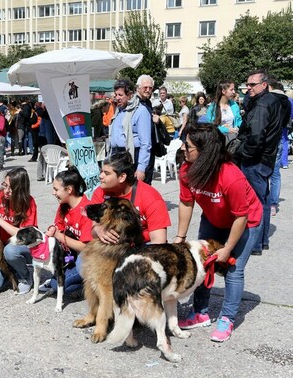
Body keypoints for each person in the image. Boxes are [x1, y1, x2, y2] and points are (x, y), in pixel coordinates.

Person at [175, 124, 262, 342]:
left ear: (204, 151)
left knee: (233, 269)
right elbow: (186, 202)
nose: (183, 149)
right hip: (213, 219)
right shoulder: (187, 169)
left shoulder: (231, 176)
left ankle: (227, 318)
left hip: (244, 221)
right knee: (204, 263)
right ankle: (200, 313)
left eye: (188, 146)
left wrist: (228, 249)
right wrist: (180, 237)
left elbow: (241, 216)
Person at [234, 69, 283, 256]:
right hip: (266, 158)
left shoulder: (263, 105)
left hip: (256, 160)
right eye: (247, 84)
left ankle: (254, 243)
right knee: (262, 200)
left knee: (255, 202)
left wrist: (244, 154)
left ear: (264, 84)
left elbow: (256, 136)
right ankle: (261, 241)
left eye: (252, 84)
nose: (248, 88)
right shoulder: (271, 101)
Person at [91, 151, 170, 244]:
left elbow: (158, 241)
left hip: (143, 246)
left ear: (122, 177)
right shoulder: (100, 192)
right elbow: (93, 229)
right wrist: (98, 230)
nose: (100, 176)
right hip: (112, 246)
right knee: (82, 258)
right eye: (101, 171)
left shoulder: (150, 196)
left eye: (106, 173)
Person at [39, 167, 93, 294]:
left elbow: (85, 247)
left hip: (87, 258)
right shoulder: (63, 206)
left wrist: (58, 235)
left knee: (56, 285)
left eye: (56, 189)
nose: (53, 193)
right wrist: (53, 230)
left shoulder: (86, 210)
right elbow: (59, 228)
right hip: (70, 256)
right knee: (59, 285)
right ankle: (81, 283)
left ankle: (88, 284)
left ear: (69, 189)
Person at [109, 79, 152, 182]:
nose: (117, 98)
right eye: (116, 95)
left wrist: (141, 168)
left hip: (132, 157)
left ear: (130, 95)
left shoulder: (141, 111)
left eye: (120, 95)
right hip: (117, 156)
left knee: (132, 193)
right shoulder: (119, 110)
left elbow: (145, 143)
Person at [266, 79, 292, 218]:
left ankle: (264, 201)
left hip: (268, 139)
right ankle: (274, 204)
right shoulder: (287, 101)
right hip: (280, 138)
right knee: (276, 173)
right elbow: (287, 119)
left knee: (263, 172)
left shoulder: (269, 99)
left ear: (269, 86)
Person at [135, 74, 156, 184]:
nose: (148, 90)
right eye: (145, 87)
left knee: (147, 182)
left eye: (150, 88)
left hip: (149, 148)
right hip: (139, 150)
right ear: (138, 88)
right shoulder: (135, 103)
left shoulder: (148, 102)